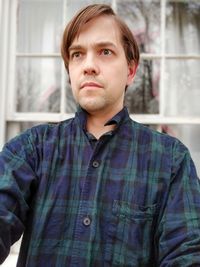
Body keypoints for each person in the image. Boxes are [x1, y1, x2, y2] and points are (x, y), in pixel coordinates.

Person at [0, 4, 200, 267]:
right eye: (77, 54)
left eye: (105, 52)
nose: (89, 65)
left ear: (131, 70)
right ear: (69, 70)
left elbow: (186, 255)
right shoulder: (31, 149)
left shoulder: (171, 161)